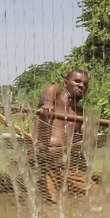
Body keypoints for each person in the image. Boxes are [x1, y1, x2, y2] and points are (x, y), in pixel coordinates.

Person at [30, 69, 97, 203]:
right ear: (66, 83)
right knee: (52, 202)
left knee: (96, 194)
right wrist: (47, 104)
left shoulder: (80, 113)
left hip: (66, 166)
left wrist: (90, 132)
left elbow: (87, 138)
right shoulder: (54, 94)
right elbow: (46, 98)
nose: (81, 85)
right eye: (77, 81)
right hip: (42, 160)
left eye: (85, 84)